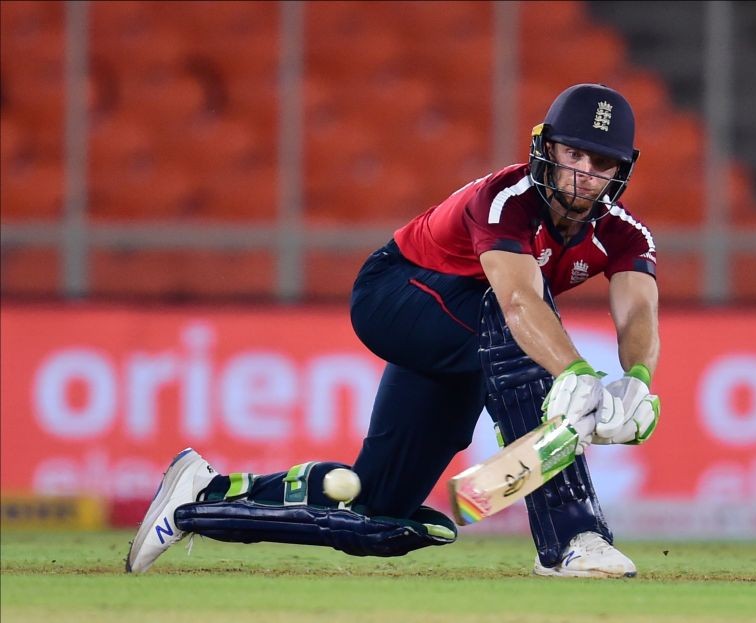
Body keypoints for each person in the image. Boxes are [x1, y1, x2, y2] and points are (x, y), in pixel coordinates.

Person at [126, 83, 661, 578]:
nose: (584, 175)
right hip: (397, 295)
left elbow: (638, 314)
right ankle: (573, 535)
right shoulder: (505, 201)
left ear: (621, 170)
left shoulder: (624, 231)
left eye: (601, 163)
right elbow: (519, 300)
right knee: (520, 335)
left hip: (463, 337)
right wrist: (577, 375)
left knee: (376, 511)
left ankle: (201, 497)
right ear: (546, 149)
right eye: (574, 155)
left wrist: (636, 378)